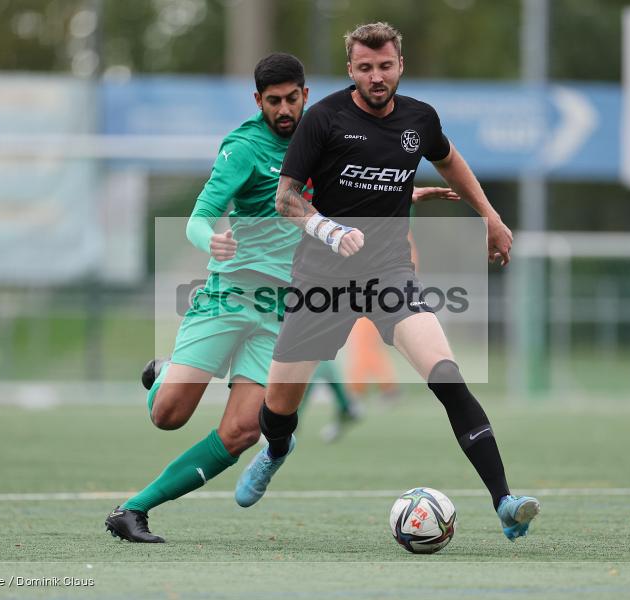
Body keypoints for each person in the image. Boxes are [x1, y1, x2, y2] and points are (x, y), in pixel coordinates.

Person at [105, 52, 455, 543]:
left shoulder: (328, 134)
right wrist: (213, 240)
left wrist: (404, 194)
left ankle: (134, 509)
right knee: (169, 416)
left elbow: (355, 188)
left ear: (306, 95)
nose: (285, 109)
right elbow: (198, 218)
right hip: (231, 295)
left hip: (287, 310)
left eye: (293, 98)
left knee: (244, 431)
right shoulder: (244, 147)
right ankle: (164, 375)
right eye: (274, 101)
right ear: (258, 101)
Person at [234, 23, 541, 541]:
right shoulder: (323, 119)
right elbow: (287, 198)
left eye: (385, 66)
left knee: (447, 376)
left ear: (400, 65)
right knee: (279, 406)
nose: (376, 77)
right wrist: (329, 230)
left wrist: (488, 215)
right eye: (365, 67)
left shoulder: (421, 119)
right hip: (320, 280)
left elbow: (449, 160)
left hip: (389, 276)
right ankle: (278, 449)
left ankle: (505, 502)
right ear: (351, 69)